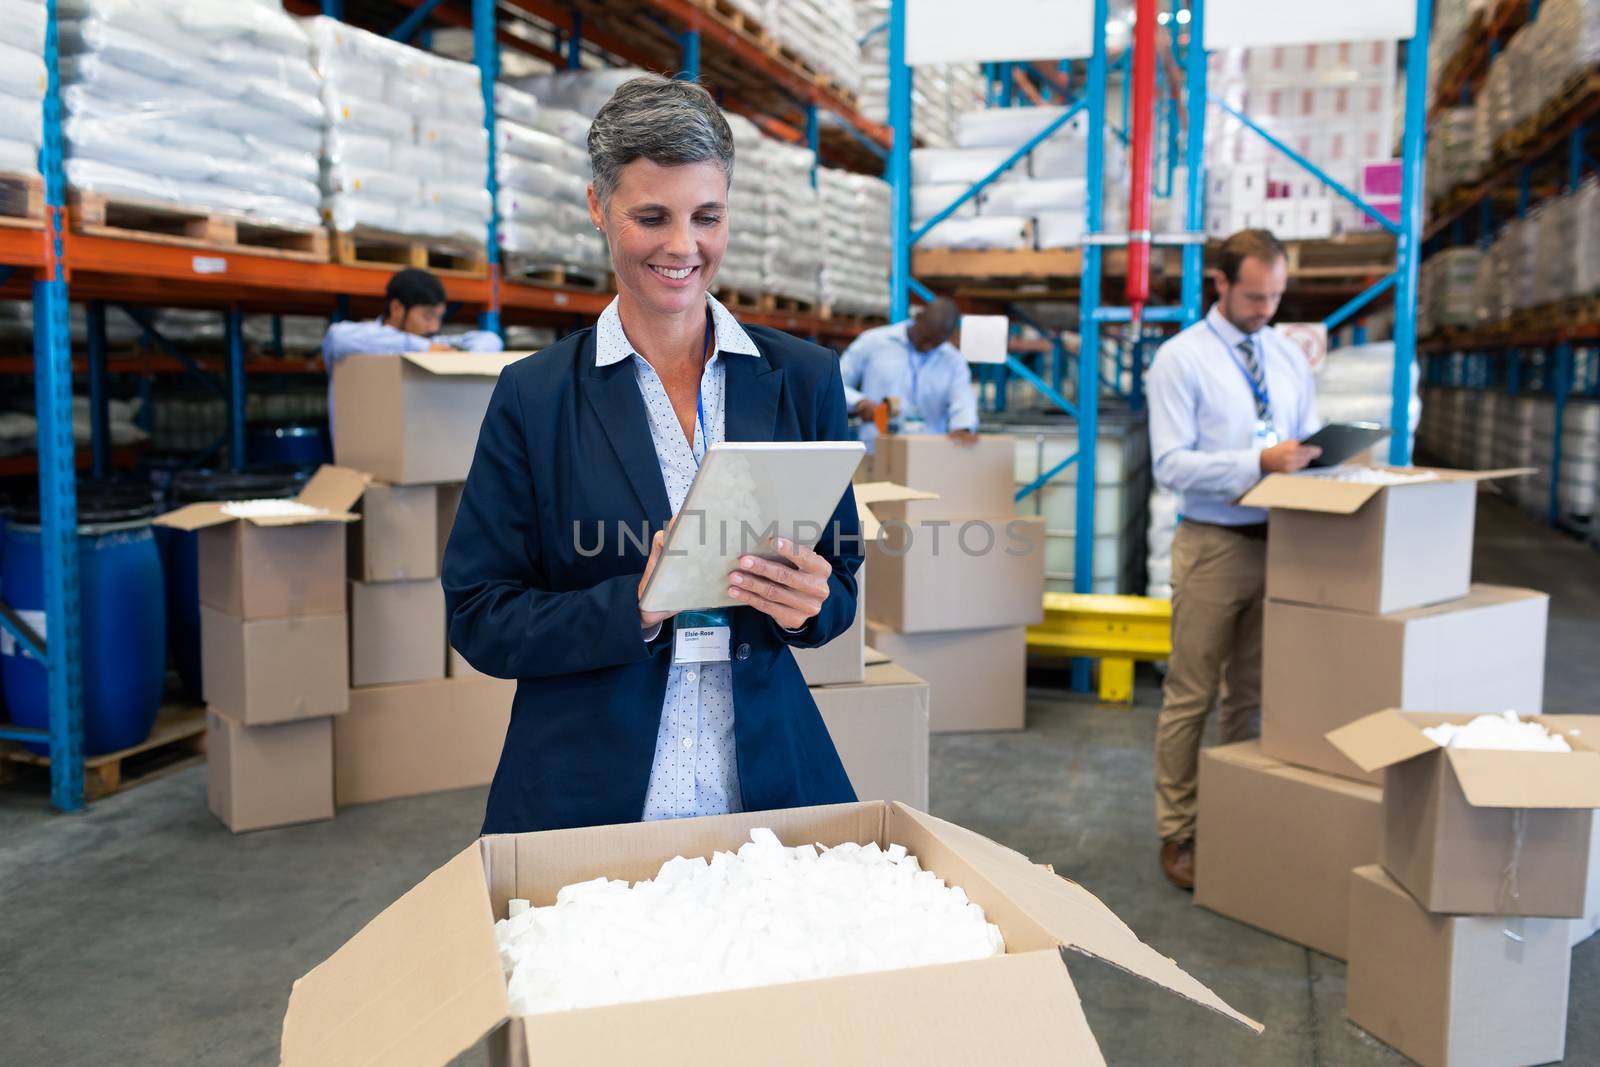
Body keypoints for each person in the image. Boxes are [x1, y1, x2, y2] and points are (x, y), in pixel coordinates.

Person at [441, 74, 861, 835]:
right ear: (599, 207)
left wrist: (810, 607)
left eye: (707, 216)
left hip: (762, 787)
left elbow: (840, 583)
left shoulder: (802, 379)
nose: (683, 246)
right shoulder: (534, 399)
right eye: (651, 216)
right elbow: (479, 613)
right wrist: (633, 606)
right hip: (587, 792)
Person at [1144, 228, 1322, 891]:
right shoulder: (1182, 360)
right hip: (1215, 544)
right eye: (1254, 296)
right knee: (1191, 694)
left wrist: (1315, 456)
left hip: (1282, 544)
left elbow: (1302, 435)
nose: (1266, 309)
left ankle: (1233, 815)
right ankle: (1179, 830)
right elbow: (1170, 464)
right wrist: (1258, 462)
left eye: (1275, 295)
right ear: (1219, 283)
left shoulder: (1287, 357)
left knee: (1249, 697)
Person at [838, 296, 980, 445]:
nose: (927, 347)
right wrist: (859, 402)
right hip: (876, 450)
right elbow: (836, 383)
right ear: (917, 318)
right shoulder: (873, 342)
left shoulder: (953, 360)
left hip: (928, 452)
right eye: (925, 338)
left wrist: (963, 427)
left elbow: (963, 400)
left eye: (935, 343)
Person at [319, 267, 504, 371]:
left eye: (439, 317)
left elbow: (491, 341)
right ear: (397, 308)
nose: (434, 326)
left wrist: (464, 357)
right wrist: (422, 348)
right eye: (427, 316)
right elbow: (337, 338)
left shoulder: (433, 343)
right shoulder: (361, 340)